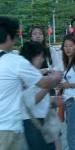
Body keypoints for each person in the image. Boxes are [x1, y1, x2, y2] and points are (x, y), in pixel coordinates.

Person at [0, 17, 62, 150]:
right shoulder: (15, 61)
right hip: (8, 128)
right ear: (9, 37)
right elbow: (44, 84)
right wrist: (55, 78)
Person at [20, 42, 58, 150]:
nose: (42, 60)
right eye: (41, 56)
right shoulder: (27, 75)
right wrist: (48, 85)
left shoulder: (32, 72)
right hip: (33, 122)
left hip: (42, 119)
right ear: (32, 56)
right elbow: (31, 102)